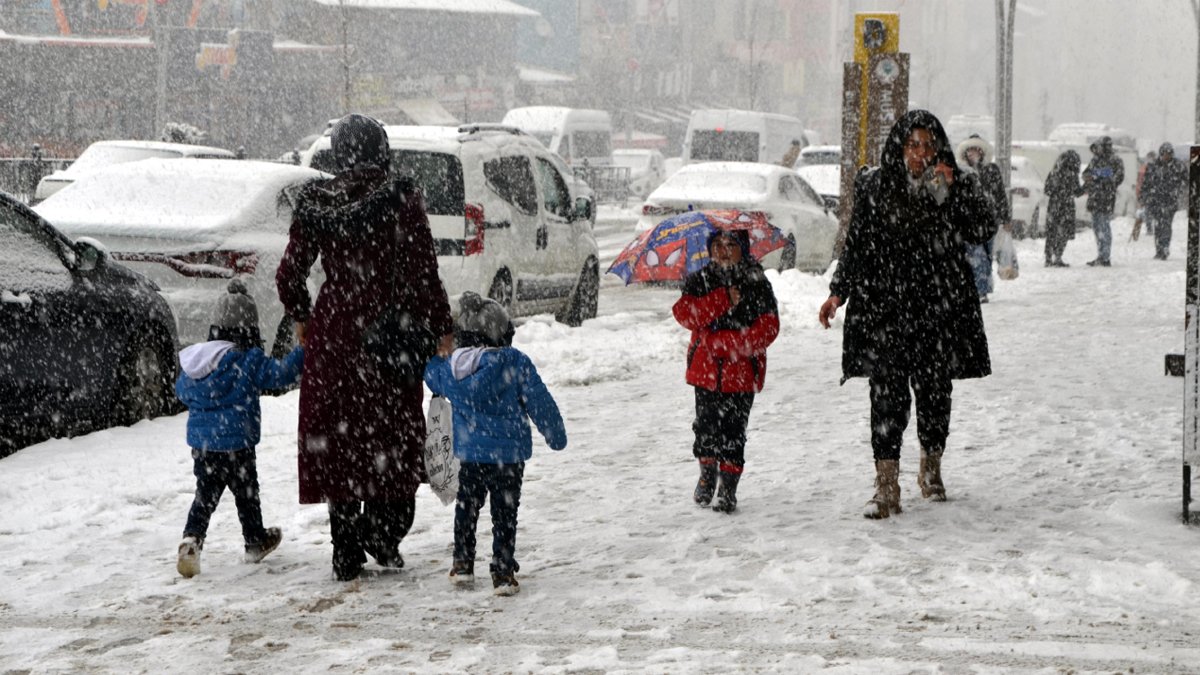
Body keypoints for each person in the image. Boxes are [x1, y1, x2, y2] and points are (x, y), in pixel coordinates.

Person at [276, 113, 454, 582]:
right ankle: (384, 531)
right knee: (389, 437)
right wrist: (441, 326)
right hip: (388, 333)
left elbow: (289, 273)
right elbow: (423, 272)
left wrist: (302, 316)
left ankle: (345, 548)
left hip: (334, 335)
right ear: (381, 149)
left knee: (338, 441)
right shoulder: (400, 198)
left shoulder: (317, 202)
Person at [817, 109, 994, 519]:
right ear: (900, 147)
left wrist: (956, 190)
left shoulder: (953, 185)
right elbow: (858, 241)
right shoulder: (876, 185)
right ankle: (886, 485)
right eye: (913, 145)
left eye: (928, 145)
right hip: (886, 309)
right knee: (886, 396)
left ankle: (931, 467)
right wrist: (837, 292)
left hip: (938, 308)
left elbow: (982, 230)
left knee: (935, 393)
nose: (920, 154)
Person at [424, 292, 567, 596]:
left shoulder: (451, 369)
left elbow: (431, 375)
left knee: (468, 507)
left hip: (472, 455)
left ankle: (462, 563)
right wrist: (555, 435)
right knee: (505, 513)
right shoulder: (514, 362)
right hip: (509, 456)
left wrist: (437, 352)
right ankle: (502, 571)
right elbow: (540, 403)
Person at [175, 279, 305, 578]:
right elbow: (281, 374)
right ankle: (254, 540)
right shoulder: (248, 360)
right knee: (247, 494)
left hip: (204, 445)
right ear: (251, 329)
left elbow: (182, 391)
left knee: (204, 496)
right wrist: (302, 350)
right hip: (238, 446)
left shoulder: (198, 363)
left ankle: (192, 539)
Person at [672, 228, 779, 514]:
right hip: (704, 372)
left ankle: (728, 488)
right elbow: (685, 313)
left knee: (733, 433)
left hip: (741, 374)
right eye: (717, 244)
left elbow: (768, 328)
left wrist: (729, 344)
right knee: (705, 428)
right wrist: (722, 300)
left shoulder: (756, 281)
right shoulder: (701, 279)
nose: (722, 250)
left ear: (742, 248)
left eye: (730, 244)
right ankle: (707, 477)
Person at [956, 135, 1009, 303]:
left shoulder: (991, 170)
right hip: (969, 223)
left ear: (981, 151)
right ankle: (980, 290)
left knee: (986, 257)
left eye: (975, 149)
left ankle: (983, 286)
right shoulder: (961, 172)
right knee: (976, 256)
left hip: (989, 223)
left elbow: (1000, 194)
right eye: (969, 150)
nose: (972, 153)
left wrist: (1005, 218)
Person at [1082, 136, 1125, 267]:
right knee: (1096, 227)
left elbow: (1118, 177)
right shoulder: (1095, 160)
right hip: (1095, 198)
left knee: (1104, 227)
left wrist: (1104, 178)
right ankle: (1101, 255)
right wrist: (1090, 177)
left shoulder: (1115, 160)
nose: (1097, 151)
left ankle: (1105, 256)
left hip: (1106, 198)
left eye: (1099, 148)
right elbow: (1086, 174)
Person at [1141, 143, 1187, 260]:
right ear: (1161, 153)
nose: (1166, 156)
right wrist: (1145, 196)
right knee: (1158, 226)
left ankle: (1165, 247)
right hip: (1156, 201)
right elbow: (1146, 183)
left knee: (1166, 225)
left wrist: (1176, 191)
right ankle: (1159, 249)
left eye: (1169, 154)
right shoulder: (1153, 166)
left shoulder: (1178, 166)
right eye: (1165, 154)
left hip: (1170, 201)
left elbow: (1185, 181)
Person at [1042, 149, 1085, 267]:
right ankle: (1058, 257)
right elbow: (1077, 192)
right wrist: (1086, 186)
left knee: (1052, 232)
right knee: (1063, 233)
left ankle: (1048, 258)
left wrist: (1056, 192)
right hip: (1067, 206)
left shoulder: (1054, 172)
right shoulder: (1072, 175)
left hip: (1054, 205)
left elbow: (1047, 190)